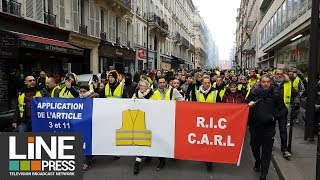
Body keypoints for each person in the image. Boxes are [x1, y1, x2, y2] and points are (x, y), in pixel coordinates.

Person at [246, 75, 286, 180]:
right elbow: (244, 106)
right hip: (255, 128)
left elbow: (284, 110)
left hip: (268, 128)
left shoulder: (275, 95)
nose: (266, 84)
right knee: (254, 147)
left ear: (270, 82)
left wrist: (274, 117)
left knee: (266, 151)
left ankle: (263, 174)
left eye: (268, 82)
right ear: (260, 82)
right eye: (264, 82)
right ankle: (258, 161)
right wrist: (248, 105)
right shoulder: (253, 93)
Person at [151, 76, 184, 171]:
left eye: (163, 82)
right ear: (157, 83)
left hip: (171, 119)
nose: (162, 84)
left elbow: (182, 102)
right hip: (160, 120)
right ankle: (162, 160)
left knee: (171, 138)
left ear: (166, 82)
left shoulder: (173, 91)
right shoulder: (155, 93)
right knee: (160, 140)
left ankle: (172, 153)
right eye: (160, 82)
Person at [194, 75, 220, 171]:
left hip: (212, 121)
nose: (207, 84)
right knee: (203, 139)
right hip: (201, 121)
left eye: (208, 83)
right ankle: (204, 155)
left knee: (210, 140)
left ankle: (209, 160)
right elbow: (193, 106)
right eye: (205, 83)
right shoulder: (197, 92)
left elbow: (221, 106)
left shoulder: (215, 92)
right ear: (202, 83)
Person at [132, 80, 154, 175]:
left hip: (150, 120)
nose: (141, 87)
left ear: (147, 87)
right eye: (140, 85)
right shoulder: (135, 95)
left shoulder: (152, 95)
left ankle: (148, 155)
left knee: (150, 140)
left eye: (144, 86)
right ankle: (137, 163)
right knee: (141, 140)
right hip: (139, 120)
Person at [272, 69, 292, 159]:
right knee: (271, 129)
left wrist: (295, 103)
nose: (279, 75)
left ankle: (284, 149)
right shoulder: (270, 83)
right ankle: (270, 144)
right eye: (277, 74)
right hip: (272, 110)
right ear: (274, 74)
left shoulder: (287, 83)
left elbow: (295, 94)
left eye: (281, 74)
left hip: (283, 110)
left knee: (283, 130)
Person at [79, 83, 98, 171]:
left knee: (88, 141)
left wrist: (90, 97)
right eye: (81, 91)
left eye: (84, 91)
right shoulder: (79, 99)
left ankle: (87, 162)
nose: (82, 93)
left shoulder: (93, 97)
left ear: (88, 91)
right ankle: (91, 155)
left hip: (92, 123)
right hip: (83, 123)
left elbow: (97, 95)